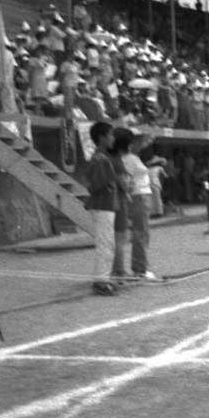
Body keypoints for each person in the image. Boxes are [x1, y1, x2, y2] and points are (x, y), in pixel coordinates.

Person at [115, 128, 159, 281]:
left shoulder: (130, 157)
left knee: (140, 232)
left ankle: (139, 267)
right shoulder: (129, 159)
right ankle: (140, 268)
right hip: (138, 196)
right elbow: (127, 179)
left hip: (139, 195)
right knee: (140, 232)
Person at [85, 121, 119, 296]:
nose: (113, 138)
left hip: (105, 205)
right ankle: (101, 280)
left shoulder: (101, 158)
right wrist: (110, 186)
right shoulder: (100, 159)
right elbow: (96, 185)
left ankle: (104, 277)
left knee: (107, 243)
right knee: (105, 243)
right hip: (102, 205)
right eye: (110, 135)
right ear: (102, 138)